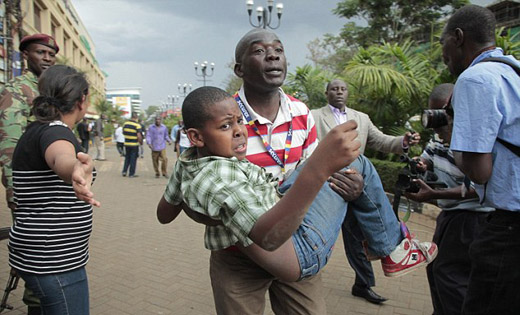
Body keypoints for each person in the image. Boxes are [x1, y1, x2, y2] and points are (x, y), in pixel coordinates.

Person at [169, 29, 436, 315]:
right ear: (240, 69)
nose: (272, 55)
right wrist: (202, 212)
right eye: (259, 51)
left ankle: (384, 245)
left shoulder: (300, 112)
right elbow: (193, 179)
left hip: (295, 237)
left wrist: (354, 189)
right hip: (239, 254)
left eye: (278, 50)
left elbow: (314, 172)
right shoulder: (219, 115)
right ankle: (390, 245)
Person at [440, 5, 520, 314]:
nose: (443, 54)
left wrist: (453, 139)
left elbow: (479, 171)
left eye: (443, 44)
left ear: (458, 37)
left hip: (509, 230)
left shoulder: (475, 79)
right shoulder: (512, 69)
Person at [312, 79, 420, 304]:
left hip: (356, 184)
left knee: (356, 237)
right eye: (334, 89)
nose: (339, 92)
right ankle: (303, 275)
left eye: (343, 89)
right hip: (328, 184)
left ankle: (363, 284)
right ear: (326, 93)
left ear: (348, 93)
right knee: (318, 233)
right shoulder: (313, 116)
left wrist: (404, 142)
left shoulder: (361, 118)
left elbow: (381, 141)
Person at [8, 64, 97, 315]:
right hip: (55, 263)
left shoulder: (37, 129)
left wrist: (74, 171)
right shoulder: (56, 132)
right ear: (82, 99)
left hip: (41, 255)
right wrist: (74, 170)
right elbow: (61, 158)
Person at [404, 83, 494, 314]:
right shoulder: (438, 139)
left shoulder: (474, 138)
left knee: (450, 275)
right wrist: (420, 167)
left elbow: (479, 185)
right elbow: (428, 159)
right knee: (436, 271)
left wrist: (434, 194)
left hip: (472, 218)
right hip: (450, 216)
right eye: (432, 113)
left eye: (441, 114)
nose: (434, 120)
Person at [0, 32, 58, 315]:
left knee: (53, 252)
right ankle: (37, 306)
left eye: (51, 54)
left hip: (54, 186)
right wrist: (15, 191)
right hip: (30, 189)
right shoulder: (16, 90)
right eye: (40, 53)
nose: (47, 59)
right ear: (26, 55)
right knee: (37, 254)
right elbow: (9, 144)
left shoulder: (50, 91)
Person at [122, 112, 142, 177]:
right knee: (133, 159)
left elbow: (123, 132)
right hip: (134, 145)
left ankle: (124, 171)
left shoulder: (125, 124)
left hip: (127, 144)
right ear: (136, 117)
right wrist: (140, 142)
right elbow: (139, 135)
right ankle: (131, 173)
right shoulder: (137, 125)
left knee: (127, 158)